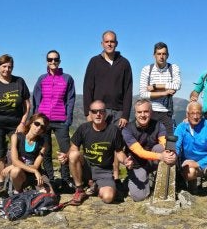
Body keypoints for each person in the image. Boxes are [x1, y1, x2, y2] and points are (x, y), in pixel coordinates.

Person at [83, 30, 133, 180]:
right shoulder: (94, 62)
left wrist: (125, 114)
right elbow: (87, 88)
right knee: (98, 142)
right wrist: (88, 113)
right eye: (107, 41)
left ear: (116, 43)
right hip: (99, 111)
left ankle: (115, 177)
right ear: (102, 43)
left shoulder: (124, 63)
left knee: (116, 144)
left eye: (112, 41)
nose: (109, 44)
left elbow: (128, 90)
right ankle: (93, 178)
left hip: (118, 111)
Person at [61, 100, 131, 205]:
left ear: (105, 113)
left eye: (101, 111)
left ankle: (94, 186)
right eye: (94, 111)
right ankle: (79, 190)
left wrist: (125, 160)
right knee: (74, 154)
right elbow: (74, 148)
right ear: (90, 114)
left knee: (108, 197)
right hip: (86, 168)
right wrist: (66, 156)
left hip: (104, 171)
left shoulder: (113, 130)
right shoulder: (83, 128)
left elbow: (119, 151)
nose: (98, 114)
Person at [0, 54, 31, 195]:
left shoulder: (19, 82)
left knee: (19, 152)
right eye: (4, 66)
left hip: (16, 124)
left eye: (9, 67)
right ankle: (1, 183)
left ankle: (18, 180)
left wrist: (23, 122)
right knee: (0, 154)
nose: (7, 69)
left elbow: (27, 105)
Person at [32, 50, 75, 189]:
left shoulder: (67, 78)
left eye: (55, 59)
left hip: (61, 120)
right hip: (44, 121)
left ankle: (65, 178)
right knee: (46, 151)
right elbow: (36, 100)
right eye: (50, 60)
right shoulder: (42, 79)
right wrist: (36, 118)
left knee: (65, 150)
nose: (53, 62)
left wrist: (68, 119)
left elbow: (70, 100)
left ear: (59, 61)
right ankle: (50, 179)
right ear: (46, 61)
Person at [122, 99, 177, 202]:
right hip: (137, 165)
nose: (143, 115)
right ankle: (132, 180)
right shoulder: (127, 129)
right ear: (135, 113)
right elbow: (139, 152)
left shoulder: (158, 125)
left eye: (146, 111)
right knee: (139, 197)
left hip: (151, 161)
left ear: (151, 112)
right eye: (139, 112)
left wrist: (172, 153)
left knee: (162, 149)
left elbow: (164, 143)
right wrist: (160, 156)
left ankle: (164, 183)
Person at [174, 102, 207, 202]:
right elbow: (176, 146)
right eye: (192, 113)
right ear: (187, 114)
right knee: (190, 172)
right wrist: (173, 156)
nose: (195, 116)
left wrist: (198, 163)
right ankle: (193, 180)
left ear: (202, 114)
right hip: (189, 162)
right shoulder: (181, 127)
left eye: (198, 113)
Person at [139, 42, 182, 135]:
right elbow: (143, 94)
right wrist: (165, 93)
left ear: (168, 55)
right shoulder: (146, 69)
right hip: (150, 112)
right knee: (149, 143)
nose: (161, 56)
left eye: (164, 54)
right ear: (154, 55)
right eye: (159, 54)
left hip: (167, 113)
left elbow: (177, 85)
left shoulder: (173, 68)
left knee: (169, 143)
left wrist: (155, 86)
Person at [1, 113, 50, 194]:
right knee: (15, 170)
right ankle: (18, 191)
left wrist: (14, 165)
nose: (38, 128)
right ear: (30, 123)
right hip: (21, 174)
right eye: (37, 124)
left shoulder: (43, 143)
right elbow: (15, 160)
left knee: (49, 195)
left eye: (42, 127)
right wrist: (34, 171)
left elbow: (35, 166)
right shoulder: (16, 137)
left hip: (33, 174)